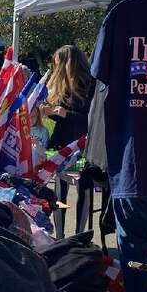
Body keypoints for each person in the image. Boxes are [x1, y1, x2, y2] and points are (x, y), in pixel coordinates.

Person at [42, 44, 95, 235]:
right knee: (59, 189)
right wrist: (48, 112)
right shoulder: (63, 86)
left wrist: (64, 114)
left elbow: (90, 119)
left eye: (58, 63)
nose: (56, 68)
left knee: (82, 188)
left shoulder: (89, 85)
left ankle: (80, 234)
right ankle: (60, 234)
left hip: (81, 145)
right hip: (60, 143)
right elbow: (62, 116)